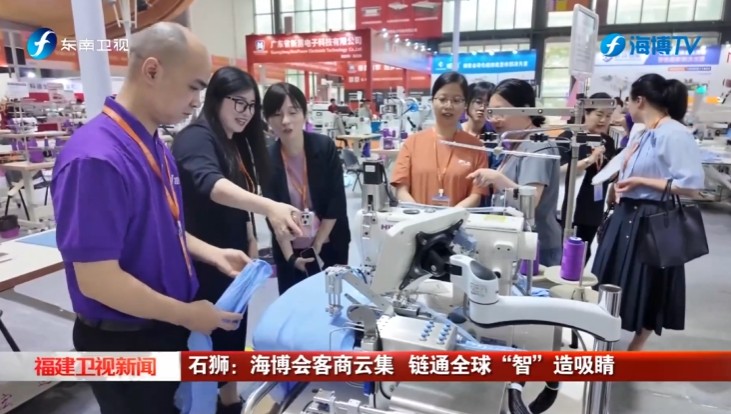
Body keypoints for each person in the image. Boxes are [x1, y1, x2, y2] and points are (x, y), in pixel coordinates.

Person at [51, 23, 247, 414]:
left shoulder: (154, 144)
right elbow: (98, 280)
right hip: (125, 344)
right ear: (152, 70)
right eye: (192, 87)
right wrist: (187, 315)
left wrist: (213, 253)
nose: (196, 102)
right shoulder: (97, 159)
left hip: (162, 327)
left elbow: (162, 227)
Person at [171, 66, 299, 413]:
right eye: (238, 103)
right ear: (214, 98)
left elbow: (239, 198)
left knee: (231, 332)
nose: (245, 112)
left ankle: (229, 399)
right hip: (202, 262)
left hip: (234, 261)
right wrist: (270, 206)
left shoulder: (233, 143)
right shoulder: (196, 138)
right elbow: (210, 184)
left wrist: (250, 237)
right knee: (205, 342)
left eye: (251, 105)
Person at [592, 73, 705, 351]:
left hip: (653, 220)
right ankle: (602, 336)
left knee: (649, 284)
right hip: (626, 214)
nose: (626, 109)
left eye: (629, 102)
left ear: (640, 100)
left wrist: (642, 182)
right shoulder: (642, 132)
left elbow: (691, 187)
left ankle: (635, 348)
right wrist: (617, 186)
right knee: (609, 278)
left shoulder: (674, 133)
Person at [261, 82, 351, 295]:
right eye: (277, 114)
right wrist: (291, 257)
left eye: (293, 112)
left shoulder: (324, 147)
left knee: (333, 300)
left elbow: (336, 202)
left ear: (304, 114)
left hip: (330, 241)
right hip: (289, 247)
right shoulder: (266, 159)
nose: (285, 121)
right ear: (267, 120)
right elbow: (272, 214)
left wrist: (316, 245)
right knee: (294, 303)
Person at [467, 78, 563, 266]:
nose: (495, 119)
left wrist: (497, 178)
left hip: (536, 248)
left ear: (525, 109)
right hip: (519, 243)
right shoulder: (517, 143)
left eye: (501, 111)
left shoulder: (537, 145)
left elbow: (531, 201)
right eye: (492, 112)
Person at [391, 72, 489, 207]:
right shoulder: (412, 143)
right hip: (417, 218)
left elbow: (476, 195)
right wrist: (420, 214)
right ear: (432, 101)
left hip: (458, 219)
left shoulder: (476, 147)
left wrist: (450, 216)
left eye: (456, 100)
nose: (448, 106)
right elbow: (401, 189)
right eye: (442, 99)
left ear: (465, 104)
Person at [558, 92, 616, 263]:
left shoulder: (607, 141)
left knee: (584, 253)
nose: (603, 120)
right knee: (566, 254)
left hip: (594, 206)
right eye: (599, 114)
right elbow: (560, 169)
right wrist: (590, 160)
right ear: (586, 113)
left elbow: (607, 174)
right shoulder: (569, 137)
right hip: (570, 206)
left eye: (608, 116)